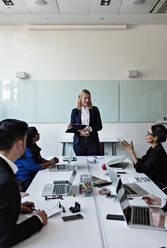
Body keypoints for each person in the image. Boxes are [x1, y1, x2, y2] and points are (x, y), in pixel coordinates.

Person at [0, 119, 47, 247]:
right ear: (20, 144)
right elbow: (4, 238)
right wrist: (38, 220)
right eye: (26, 141)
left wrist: (16, 208)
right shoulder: (7, 183)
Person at [121, 124, 167, 189]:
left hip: (156, 185)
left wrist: (131, 151)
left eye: (149, 134)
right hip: (150, 181)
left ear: (155, 138)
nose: (146, 135)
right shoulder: (153, 148)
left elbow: (140, 168)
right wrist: (131, 151)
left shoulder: (157, 152)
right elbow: (141, 162)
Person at [15, 126, 59, 192]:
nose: (39, 135)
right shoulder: (25, 150)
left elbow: (39, 159)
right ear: (32, 137)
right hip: (24, 180)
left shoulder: (33, 145)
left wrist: (50, 161)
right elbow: (33, 167)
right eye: (37, 134)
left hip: (32, 174)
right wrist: (49, 163)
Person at [68, 89, 102, 156]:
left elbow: (99, 126)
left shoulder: (95, 110)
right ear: (80, 98)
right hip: (79, 143)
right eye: (85, 98)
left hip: (92, 142)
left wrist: (89, 129)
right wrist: (70, 127)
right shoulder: (74, 111)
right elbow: (73, 126)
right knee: (81, 163)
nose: (87, 100)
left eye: (89, 98)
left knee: (94, 163)